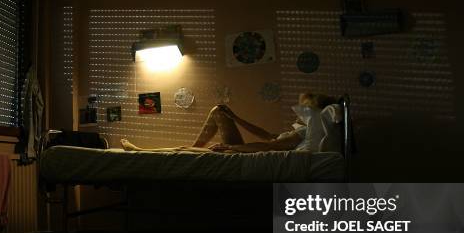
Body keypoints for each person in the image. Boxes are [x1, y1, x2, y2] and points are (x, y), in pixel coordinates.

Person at [120, 92, 337, 153]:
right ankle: (193, 149)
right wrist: (236, 118)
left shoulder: (307, 131)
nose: (298, 113)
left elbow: (270, 146)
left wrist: (233, 148)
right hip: (245, 149)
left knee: (184, 151)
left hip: (245, 152)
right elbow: (268, 136)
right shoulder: (301, 129)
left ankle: (139, 152)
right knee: (219, 111)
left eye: (304, 109)